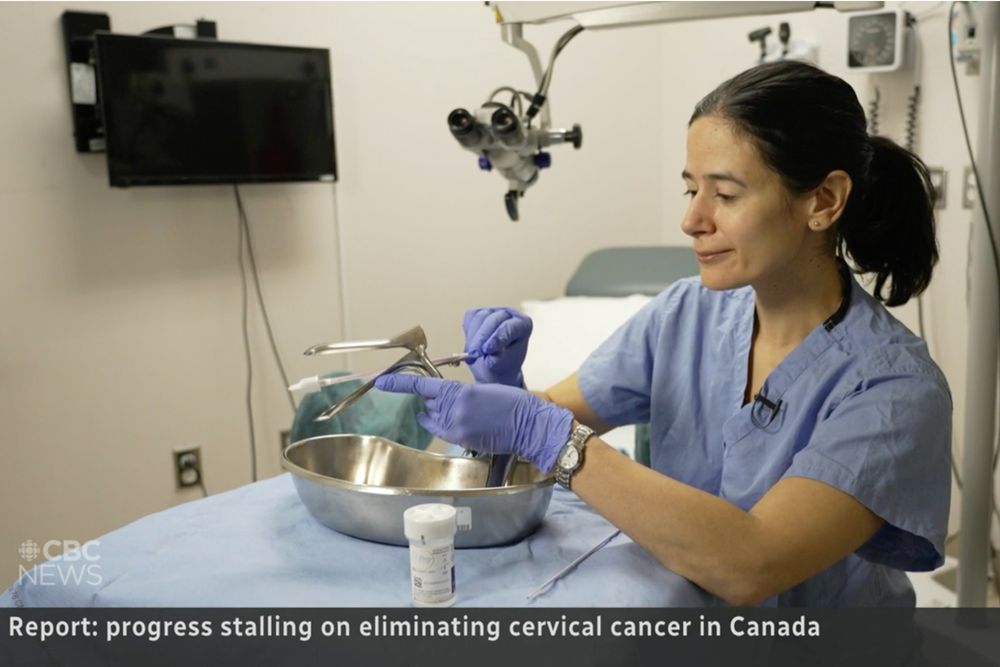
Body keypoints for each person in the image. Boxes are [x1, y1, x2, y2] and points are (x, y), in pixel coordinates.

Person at [376, 60, 951, 607]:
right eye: (690, 190)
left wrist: (545, 432)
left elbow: (753, 563)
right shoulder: (687, 314)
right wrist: (508, 390)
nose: (692, 220)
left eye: (725, 195)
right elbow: (543, 421)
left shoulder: (894, 388)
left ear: (822, 201)